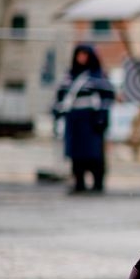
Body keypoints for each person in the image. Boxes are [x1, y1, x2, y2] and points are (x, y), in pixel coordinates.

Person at [53, 44, 114, 193]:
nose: (82, 58)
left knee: (94, 154)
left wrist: (101, 118)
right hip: (74, 121)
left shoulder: (98, 76)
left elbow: (107, 96)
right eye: (79, 55)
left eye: (85, 55)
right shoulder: (69, 76)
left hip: (91, 121)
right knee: (76, 154)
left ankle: (97, 183)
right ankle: (79, 182)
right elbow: (61, 97)